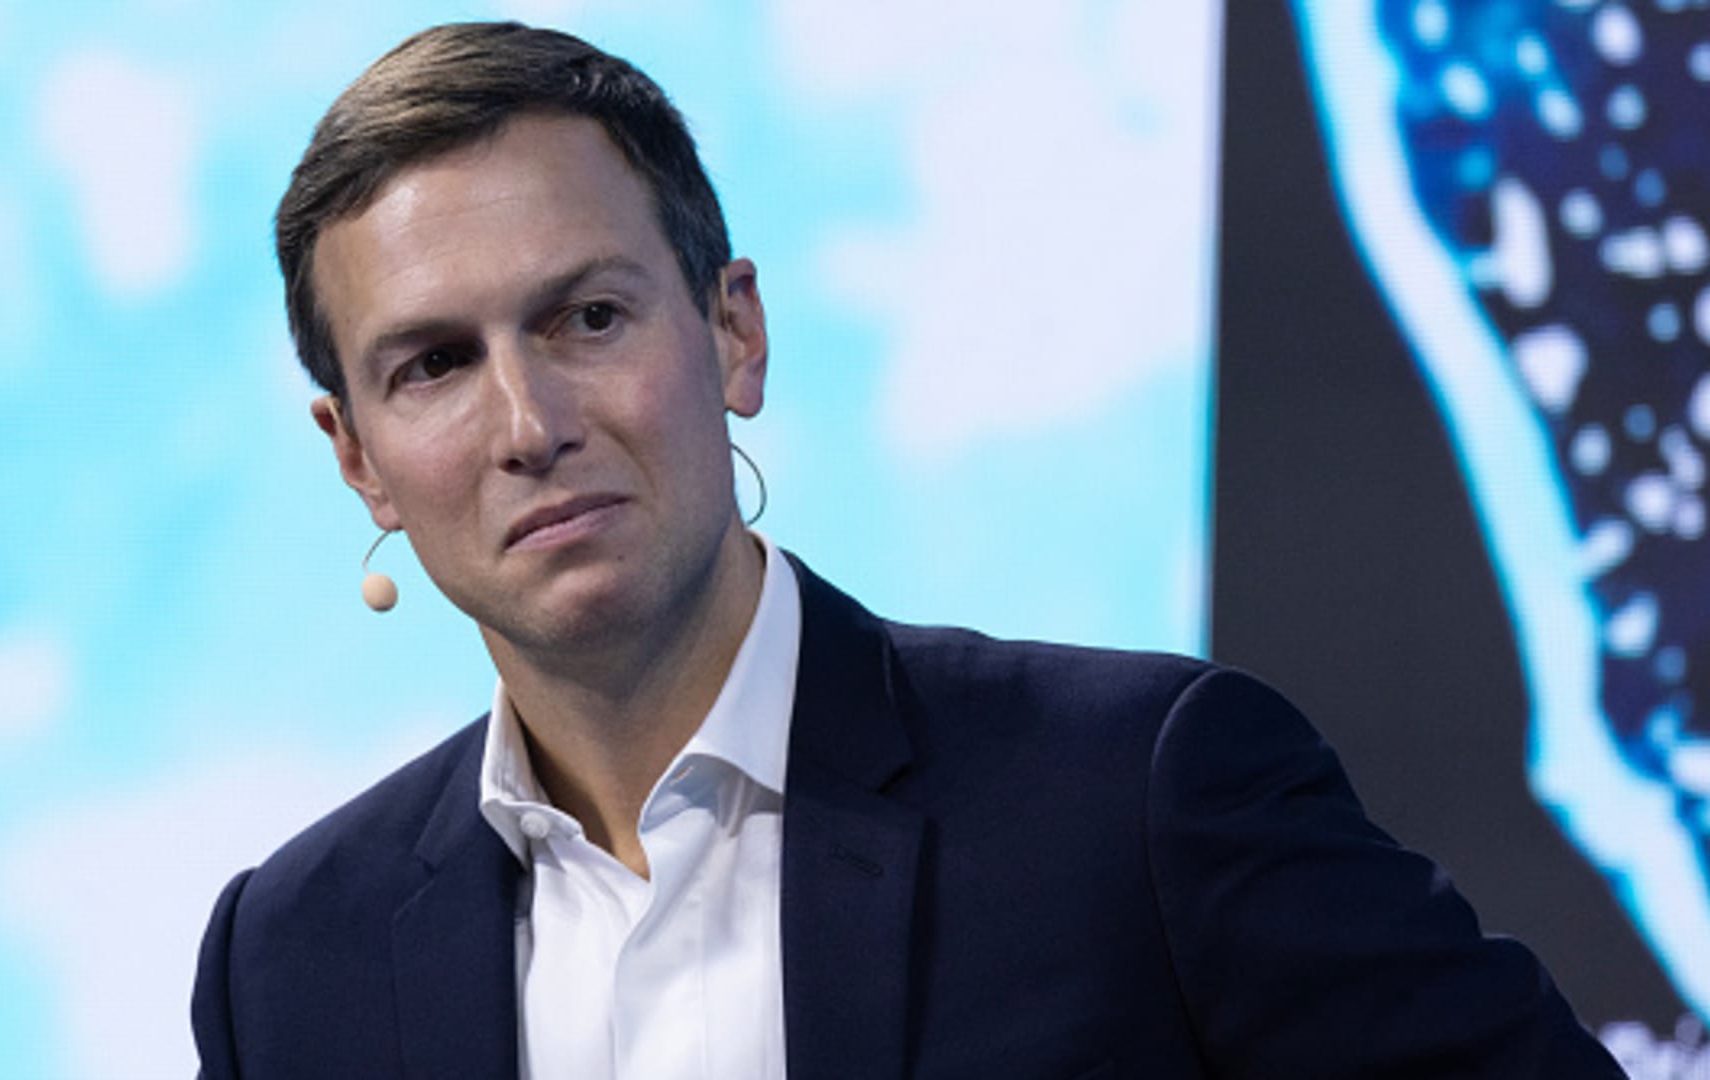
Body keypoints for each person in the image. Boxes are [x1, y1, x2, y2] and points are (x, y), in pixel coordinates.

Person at [191, 21, 1627, 1079]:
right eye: (435, 365)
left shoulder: (1138, 795)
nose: (528, 424)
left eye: (589, 318)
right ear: (359, 458)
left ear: (734, 333)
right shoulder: (290, 960)